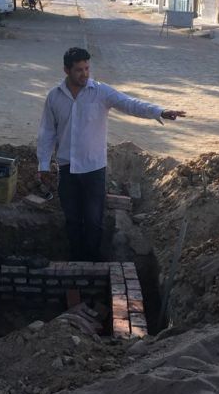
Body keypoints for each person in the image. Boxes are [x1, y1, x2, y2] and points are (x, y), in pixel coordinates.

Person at [37, 47, 186, 261]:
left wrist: (159, 111)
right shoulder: (54, 97)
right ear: (66, 70)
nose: (84, 74)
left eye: (87, 68)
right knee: (72, 220)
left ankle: (92, 262)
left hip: (94, 170)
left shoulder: (101, 92)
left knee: (93, 221)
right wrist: (43, 165)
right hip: (67, 169)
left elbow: (130, 104)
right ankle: (76, 261)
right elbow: (47, 132)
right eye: (79, 70)